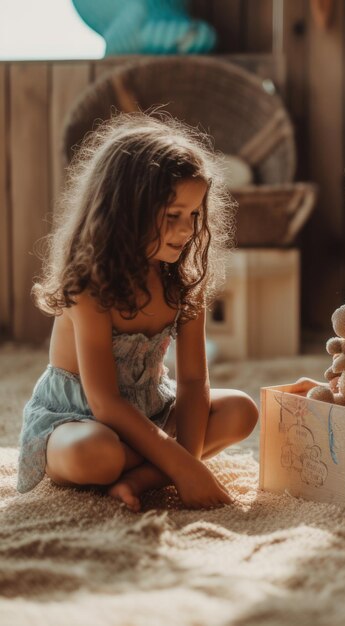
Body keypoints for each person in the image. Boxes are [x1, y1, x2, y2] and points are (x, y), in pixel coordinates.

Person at [17, 112, 258, 511]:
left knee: (241, 411)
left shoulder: (181, 282)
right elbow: (106, 403)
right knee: (94, 454)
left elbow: (194, 381)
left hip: (151, 410)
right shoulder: (89, 288)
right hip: (80, 418)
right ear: (124, 212)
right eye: (172, 217)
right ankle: (152, 466)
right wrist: (181, 464)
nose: (187, 231)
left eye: (194, 216)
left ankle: (139, 478)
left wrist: (188, 462)